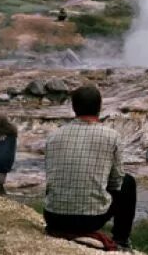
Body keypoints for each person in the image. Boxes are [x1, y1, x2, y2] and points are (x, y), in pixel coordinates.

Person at [44, 86, 136, 251]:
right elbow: (116, 181)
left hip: (53, 217)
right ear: (99, 108)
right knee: (128, 182)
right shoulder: (111, 136)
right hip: (90, 220)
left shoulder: (53, 136)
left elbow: (50, 177)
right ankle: (121, 240)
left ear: (74, 108)